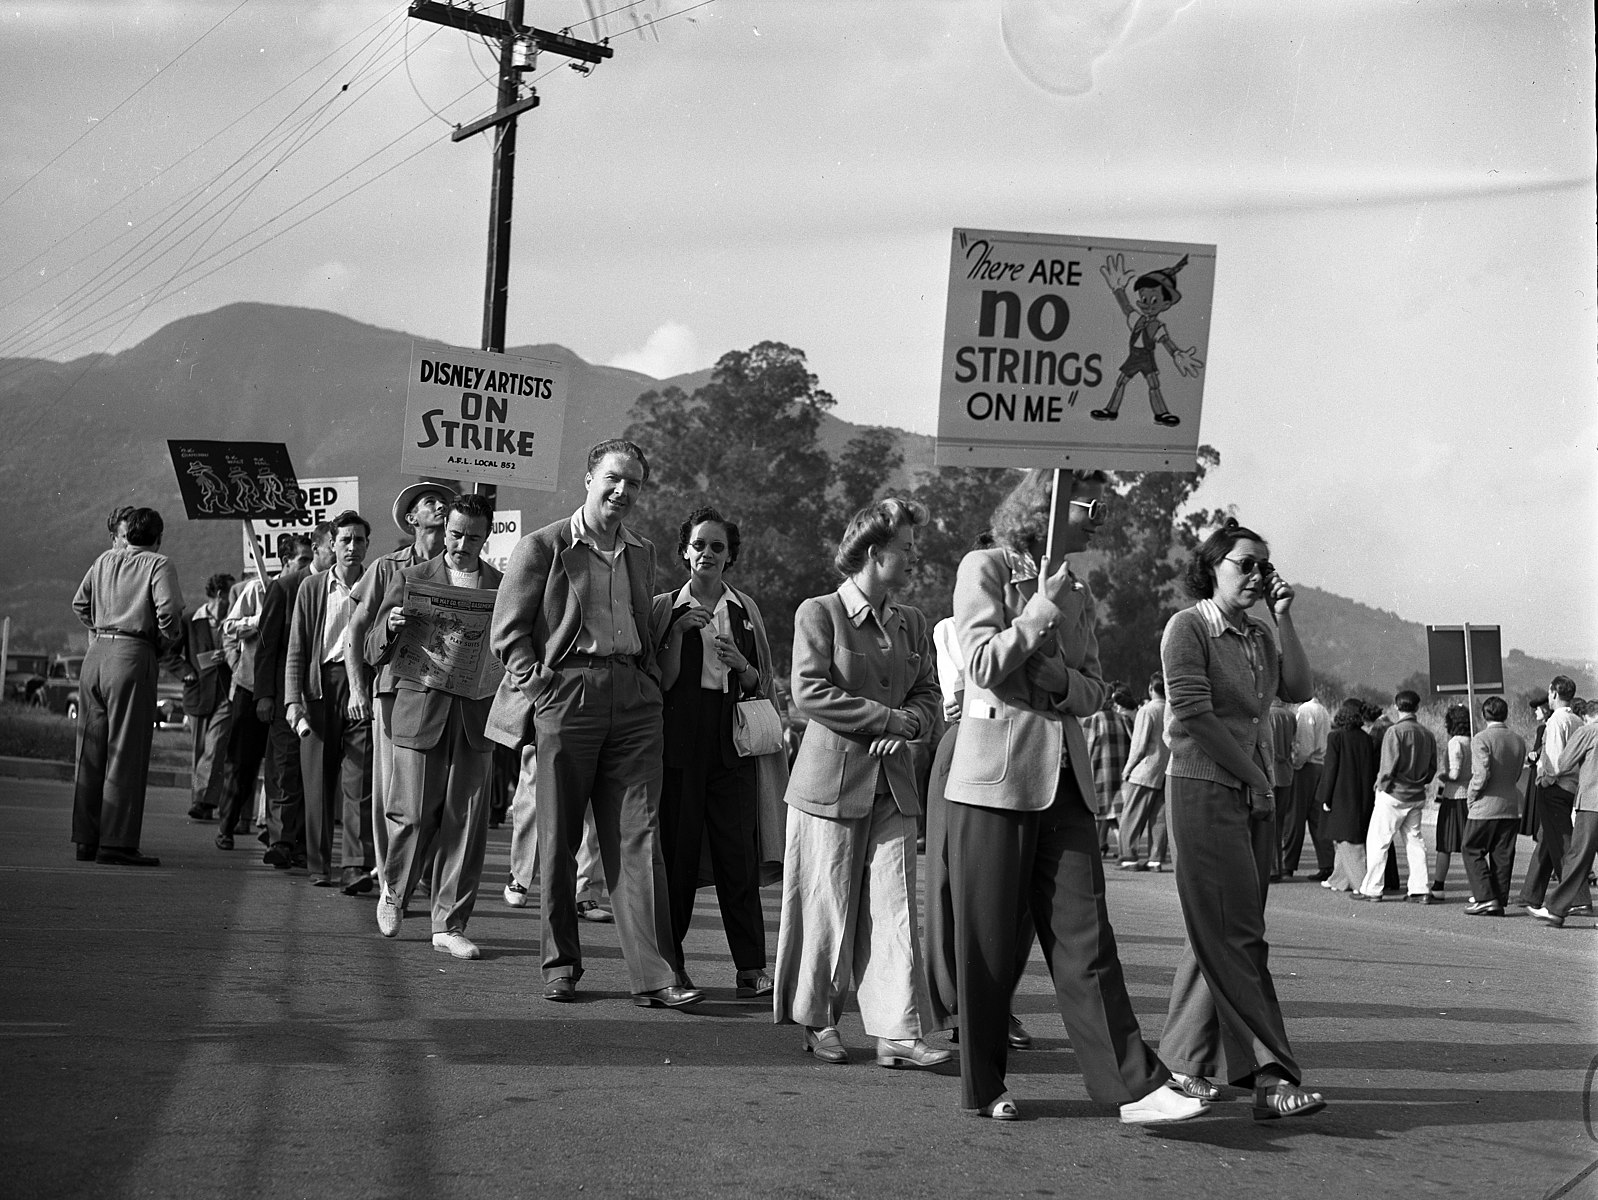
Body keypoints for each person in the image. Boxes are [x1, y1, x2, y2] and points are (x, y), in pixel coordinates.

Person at [942, 470, 1201, 1124]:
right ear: (1051, 502)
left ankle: (1132, 1087)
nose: (1103, 517)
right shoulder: (986, 566)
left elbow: (1093, 690)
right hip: (993, 781)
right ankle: (982, 1085)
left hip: (1067, 782)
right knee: (989, 947)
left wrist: (1055, 677)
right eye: (1094, 503)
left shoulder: (1081, 590)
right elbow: (979, 666)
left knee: (1088, 940)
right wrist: (1038, 611)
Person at [485, 439, 700, 1010]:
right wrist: (542, 686)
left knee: (639, 836)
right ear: (588, 478)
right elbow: (507, 634)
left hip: (633, 696)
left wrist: (650, 681)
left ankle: (654, 975)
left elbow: (643, 621)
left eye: (633, 482)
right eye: (612, 478)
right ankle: (560, 965)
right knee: (557, 840)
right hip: (567, 694)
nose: (622, 491)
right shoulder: (543, 546)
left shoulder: (642, 551)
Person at [1158, 516, 1324, 1119]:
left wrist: (1284, 616)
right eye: (1244, 564)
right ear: (1212, 568)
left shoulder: (1256, 634)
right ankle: (1271, 1076)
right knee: (1237, 934)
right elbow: (1195, 716)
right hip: (1204, 789)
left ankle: (1181, 1066)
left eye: (1263, 565)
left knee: (1222, 926)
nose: (1256, 574)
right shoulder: (1188, 629)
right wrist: (1255, 777)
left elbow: (1300, 689)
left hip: (1253, 795)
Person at [773, 497, 947, 1069]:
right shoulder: (818, 613)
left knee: (896, 906)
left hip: (894, 786)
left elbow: (929, 694)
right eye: (906, 548)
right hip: (828, 785)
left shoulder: (913, 622)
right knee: (827, 907)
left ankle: (897, 1032)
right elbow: (809, 692)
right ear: (875, 554)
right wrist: (886, 719)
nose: (914, 557)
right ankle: (818, 1020)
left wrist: (913, 723)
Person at [651, 505, 788, 995]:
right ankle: (671, 966)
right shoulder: (665, 607)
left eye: (717, 547)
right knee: (679, 857)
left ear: (730, 557)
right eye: (699, 545)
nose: (706, 554)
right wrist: (679, 634)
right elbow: (658, 683)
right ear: (684, 551)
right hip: (680, 743)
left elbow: (762, 682)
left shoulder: (744, 610)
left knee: (738, 858)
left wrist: (741, 665)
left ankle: (751, 968)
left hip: (732, 744)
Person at [368, 494, 502, 959]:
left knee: (464, 822)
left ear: (488, 537)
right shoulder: (411, 579)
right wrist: (392, 626)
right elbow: (371, 648)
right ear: (444, 531)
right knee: (409, 811)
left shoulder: (503, 586)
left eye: (473, 536)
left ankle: (449, 923)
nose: (463, 544)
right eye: (455, 534)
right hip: (420, 708)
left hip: (475, 714)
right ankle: (395, 892)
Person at [346, 481, 457, 890]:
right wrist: (358, 690)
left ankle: (421, 872)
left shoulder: (460, 568)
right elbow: (355, 631)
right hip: (394, 688)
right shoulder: (386, 568)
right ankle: (391, 880)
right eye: (430, 502)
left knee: (436, 789)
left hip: (445, 691)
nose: (440, 506)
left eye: (445, 501)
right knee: (393, 789)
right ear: (412, 519)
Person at [70, 506, 185, 866]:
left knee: (90, 751)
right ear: (157, 536)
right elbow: (169, 613)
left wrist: (103, 626)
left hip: (96, 655)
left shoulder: (105, 559)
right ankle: (116, 843)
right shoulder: (158, 564)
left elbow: (80, 603)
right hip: (132, 655)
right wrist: (166, 640)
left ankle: (86, 839)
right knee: (126, 751)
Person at [285, 510, 375, 893]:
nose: (352, 547)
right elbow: (297, 647)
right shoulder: (312, 587)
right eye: (345, 540)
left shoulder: (378, 583)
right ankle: (319, 864)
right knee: (318, 781)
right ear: (331, 544)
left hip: (360, 688)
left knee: (360, 782)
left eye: (359, 540)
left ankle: (355, 866)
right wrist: (293, 700)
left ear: (368, 545)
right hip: (321, 687)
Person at [255, 531, 319, 869]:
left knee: (313, 772)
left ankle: (303, 843)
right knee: (283, 768)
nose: (311, 564)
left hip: (321, 695)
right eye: (305, 559)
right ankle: (280, 840)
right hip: (283, 695)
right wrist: (264, 694)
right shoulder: (284, 588)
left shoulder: (337, 586)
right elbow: (266, 647)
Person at [1352, 690, 1437, 903]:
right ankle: (1420, 889)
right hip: (1416, 795)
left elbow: (1388, 766)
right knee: (1415, 841)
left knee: (1379, 841)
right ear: (1417, 707)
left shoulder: (1394, 732)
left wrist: (1381, 786)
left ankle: (1372, 888)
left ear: (1397, 706)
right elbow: (1432, 768)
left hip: (1393, 793)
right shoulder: (1427, 734)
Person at [1518, 676, 1591, 911]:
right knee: (1548, 838)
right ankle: (1531, 893)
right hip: (1573, 786)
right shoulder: (1577, 720)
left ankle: (1578, 898)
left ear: (1553, 693)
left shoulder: (1555, 722)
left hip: (1555, 786)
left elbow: (1555, 761)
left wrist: (1546, 780)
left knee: (1561, 842)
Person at [1529, 716, 1598, 928]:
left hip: (1592, 801)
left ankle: (1556, 908)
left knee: (1578, 856)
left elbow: (1563, 762)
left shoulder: (1589, 732)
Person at [1461, 695, 1527, 916]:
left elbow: (1481, 773)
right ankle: (1498, 898)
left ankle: (1485, 897)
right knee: (1502, 854)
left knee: (1471, 848)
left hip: (1485, 806)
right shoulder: (1518, 740)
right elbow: (1518, 773)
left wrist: (1472, 795)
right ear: (1505, 714)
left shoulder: (1481, 739)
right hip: (1510, 804)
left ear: (1484, 714)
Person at [181, 572, 236, 823]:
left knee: (214, 747)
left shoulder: (235, 620)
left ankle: (203, 800)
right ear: (221, 594)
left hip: (226, 693)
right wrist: (186, 672)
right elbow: (169, 653)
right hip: (199, 693)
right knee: (200, 750)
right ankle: (202, 801)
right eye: (231, 593)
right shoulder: (190, 620)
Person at [1317, 698, 1378, 892]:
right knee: (1345, 837)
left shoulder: (1335, 737)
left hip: (1341, 796)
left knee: (1347, 841)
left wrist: (1325, 797)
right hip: (1363, 795)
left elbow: (1330, 769)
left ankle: (1362, 884)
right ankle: (1339, 879)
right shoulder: (1367, 738)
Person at [1117, 672, 1171, 871]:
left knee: (1131, 816)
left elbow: (1138, 746)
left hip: (1145, 771)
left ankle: (1129, 857)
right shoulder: (1172, 710)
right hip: (1165, 770)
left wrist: (1127, 769)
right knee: (1159, 818)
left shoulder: (1147, 711)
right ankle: (1155, 859)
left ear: (1150, 688)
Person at [1288, 692, 1334, 881]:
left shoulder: (1306, 711)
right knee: (1317, 818)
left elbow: (1305, 745)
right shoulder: (1322, 710)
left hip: (1307, 767)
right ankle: (1327, 862)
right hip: (1320, 765)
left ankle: (1288, 863)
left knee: (1295, 817)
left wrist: (1296, 764)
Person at [1084, 688, 1133, 858]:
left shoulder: (1093, 720)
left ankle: (1111, 847)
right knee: (1113, 812)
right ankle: (1107, 844)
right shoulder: (1123, 719)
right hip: (1120, 773)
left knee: (1101, 812)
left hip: (1099, 772)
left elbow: (1085, 749)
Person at [1430, 703, 1472, 899]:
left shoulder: (1455, 743)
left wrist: (1443, 776)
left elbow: (1454, 773)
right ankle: (1478, 885)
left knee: (1445, 845)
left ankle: (1438, 886)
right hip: (1470, 796)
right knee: (1470, 845)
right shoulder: (1473, 740)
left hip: (1454, 797)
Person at [1267, 695, 1298, 880]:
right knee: (1279, 824)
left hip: (1269, 771)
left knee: (1267, 823)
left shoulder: (1266, 715)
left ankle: (1269, 868)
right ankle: (1280, 866)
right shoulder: (1290, 716)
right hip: (1286, 772)